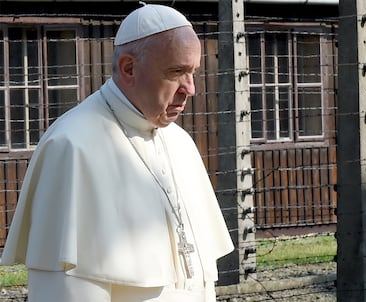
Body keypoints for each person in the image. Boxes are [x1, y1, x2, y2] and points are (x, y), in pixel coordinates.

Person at [1, 4, 234, 301]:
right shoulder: (72, 146)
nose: (190, 88)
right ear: (128, 68)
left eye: (192, 72)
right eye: (176, 72)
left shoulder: (180, 142)